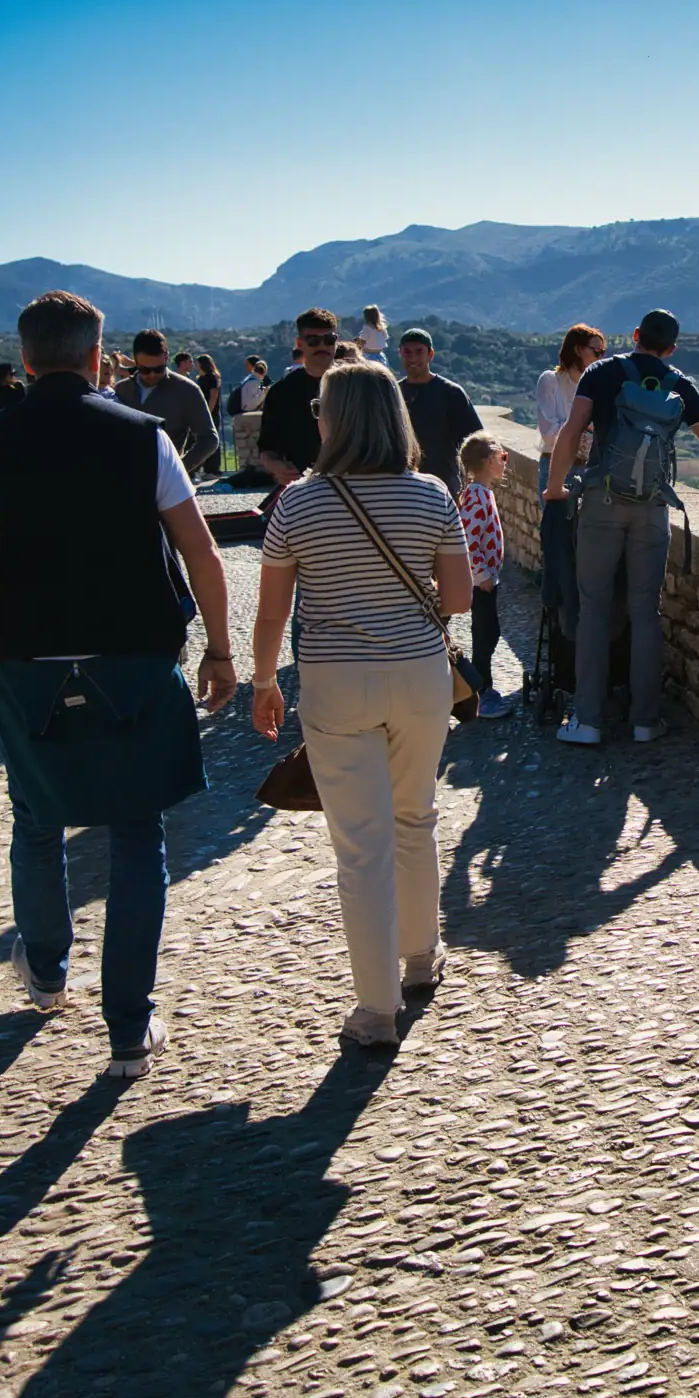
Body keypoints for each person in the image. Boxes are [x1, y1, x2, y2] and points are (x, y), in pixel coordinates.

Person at [0, 291, 237, 1077]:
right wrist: (220, 652)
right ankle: (129, 1032)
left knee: (36, 817)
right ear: (96, 355)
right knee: (137, 832)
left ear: (28, 358)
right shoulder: (146, 438)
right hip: (134, 658)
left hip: (28, 663)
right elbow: (202, 554)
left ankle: (44, 971)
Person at [250, 360, 473, 1050]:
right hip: (419, 677)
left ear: (334, 421)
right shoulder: (433, 495)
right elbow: (460, 598)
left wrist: (264, 683)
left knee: (360, 848)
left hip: (336, 683)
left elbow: (271, 614)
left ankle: (376, 1012)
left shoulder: (297, 504)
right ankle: (420, 958)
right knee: (416, 818)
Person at [544, 308, 699, 746]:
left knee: (594, 609)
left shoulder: (600, 372)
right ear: (671, 348)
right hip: (653, 508)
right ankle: (645, 721)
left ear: (634, 335)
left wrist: (556, 486)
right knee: (645, 613)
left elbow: (570, 431)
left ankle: (589, 721)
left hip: (601, 502)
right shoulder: (680, 384)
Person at [457, 432, 513, 718]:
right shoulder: (478, 496)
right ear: (489, 460)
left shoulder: (481, 492)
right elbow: (466, 540)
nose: (505, 462)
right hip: (483, 583)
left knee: (487, 633)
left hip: (486, 580)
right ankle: (480, 694)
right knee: (486, 634)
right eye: (502, 457)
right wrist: (482, 576)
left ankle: (480, 689)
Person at [115, 331, 220, 479]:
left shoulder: (186, 390)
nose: (152, 374)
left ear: (166, 357)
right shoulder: (121, 390)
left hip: (167, 483)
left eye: (158, 369)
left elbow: (209, 439)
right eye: (144, 370)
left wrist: (178, 470)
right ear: (135, 361)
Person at [257, 311, 340, 488]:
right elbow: (267, 447)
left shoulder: (358, 385)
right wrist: (277, 467)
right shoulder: (283, 391)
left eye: (329, 340)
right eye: (313, 341)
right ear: (299, 343)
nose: (322, 346)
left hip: (353, 483)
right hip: (304, 487)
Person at [397, 327, 482, 495]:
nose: (413, 358)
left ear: (430, 355)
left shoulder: (451, 393)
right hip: (402, 487)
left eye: (419, 352)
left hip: (444, 487)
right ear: (400, 353)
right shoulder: (393, 393)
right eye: (407, 352)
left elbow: (474, 440)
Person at [536, 324, 606, 496]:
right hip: (557, 467)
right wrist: (586, 430)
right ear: (578, 350)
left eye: (602, 352)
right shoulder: (550, 381)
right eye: (596, 351)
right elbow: (549, 433)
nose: (600, 357)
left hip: (589, 469)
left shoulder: (597, 386)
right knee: (557, 522)